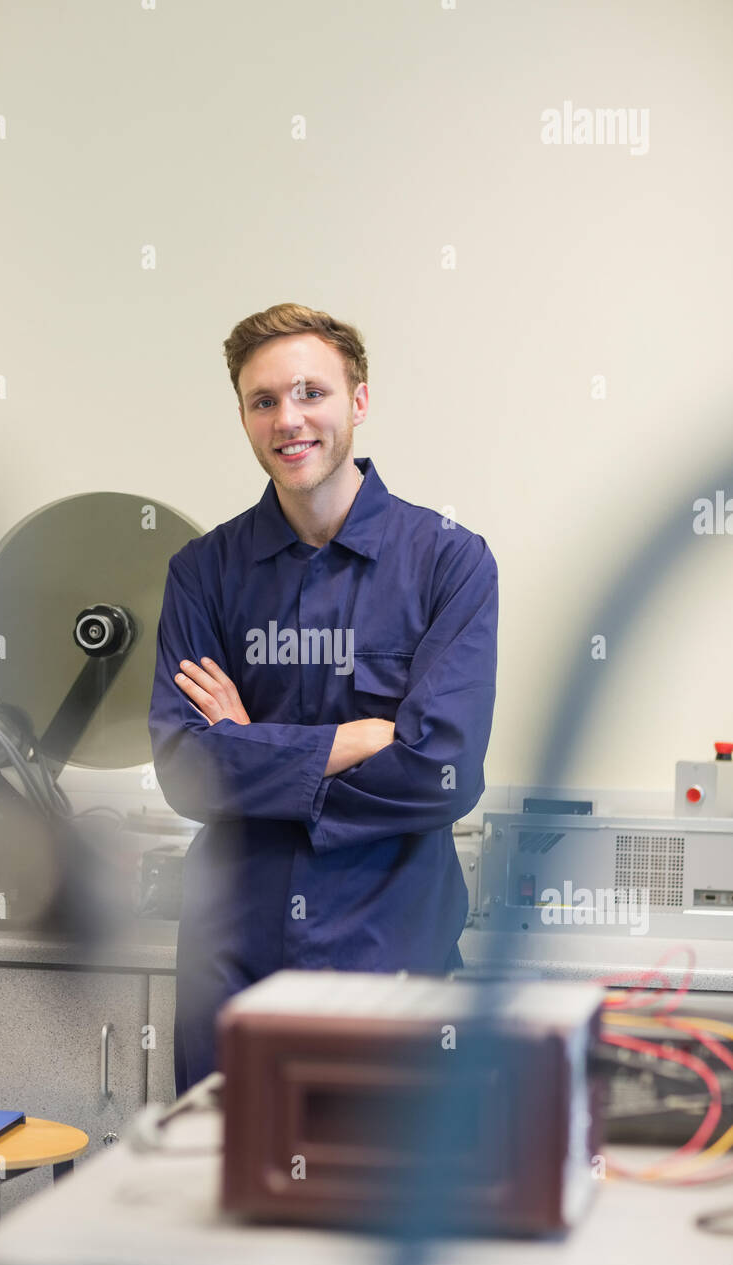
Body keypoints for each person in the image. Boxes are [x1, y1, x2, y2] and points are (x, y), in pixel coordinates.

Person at [148, 303, 498, 1095]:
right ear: (242, 415)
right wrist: (356, 739)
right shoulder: (202, 573)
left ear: (359, 402)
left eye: (312, 393)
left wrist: (249, 744)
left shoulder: (451, 564)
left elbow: (442, 768)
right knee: (217, 1198)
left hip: (391, 956)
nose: (289, 419)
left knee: (376, 1197)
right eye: (263, 400)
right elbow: (185, 771)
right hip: (232, 965)